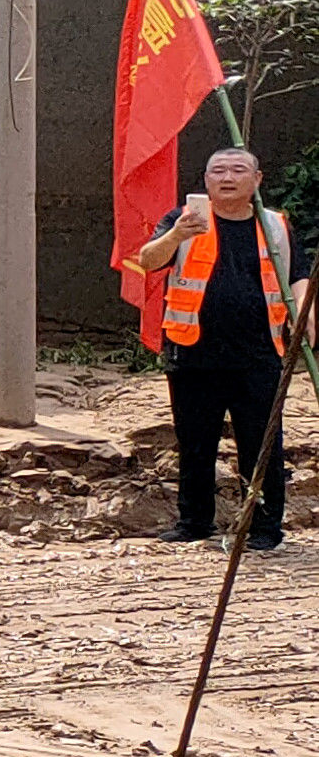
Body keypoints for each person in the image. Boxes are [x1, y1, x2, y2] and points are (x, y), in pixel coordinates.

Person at [125, 148, 305, 549]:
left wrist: (308, 320)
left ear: (257, 180)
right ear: (205, 180)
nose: (228, 177)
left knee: (262, 445)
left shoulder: (275, 226)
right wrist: (177, 235)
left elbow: (298, 274)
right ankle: (194, 522)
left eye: (238, 170)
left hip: (259, 355)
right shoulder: (183, 219)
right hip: (192, 353)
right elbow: (147, 260)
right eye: (218, 171)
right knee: (195, 443)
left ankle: (262, 528)